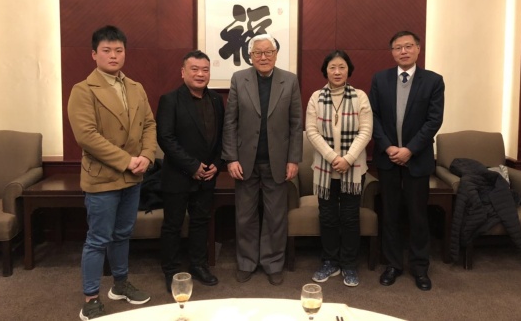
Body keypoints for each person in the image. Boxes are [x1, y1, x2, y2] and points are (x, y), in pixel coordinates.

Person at [68, 25, 157, 320]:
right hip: (102, 177)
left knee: (123, 234)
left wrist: (147, 155)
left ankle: (120, 285)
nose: (113, 55)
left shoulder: (136, 87)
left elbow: (149, 125)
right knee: (98, 239)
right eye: (106, 50)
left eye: (118, 50)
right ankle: (91, 297)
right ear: (94, 54)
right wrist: (126, 160)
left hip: (133, 175)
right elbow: (87, 136)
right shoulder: (83, 90)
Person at [222, 33, 303, 286]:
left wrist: (293, 159)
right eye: (258, 52)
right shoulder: (239, 79)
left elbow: (296, 123)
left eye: (268, 52)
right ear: (250, 56)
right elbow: (230, 121)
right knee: (245, 216)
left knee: (275, 216)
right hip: (245, 161)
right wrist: (231, 158)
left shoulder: (290, 80)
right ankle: (246, 262)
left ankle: (273, 263)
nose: (263, 57)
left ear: (276, 54)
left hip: (277, 161)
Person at [369, 30, 444, 292]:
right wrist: (388, 146)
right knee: (390, 214)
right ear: (392, 52)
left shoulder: (433, 81)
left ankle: (420, 267)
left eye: (408, 46)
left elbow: (434, 120)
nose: (403, 51)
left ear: (418, 49)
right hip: (387, 158)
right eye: (398, 47)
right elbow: (372, 117)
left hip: (418, 159)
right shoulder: (380, 79)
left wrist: (410, 149)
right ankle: (392, 265)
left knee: (418, 215)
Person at [156, 50, 224, 291]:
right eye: (194, 69)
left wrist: (217, 163)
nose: (200, 74)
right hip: (178, 175)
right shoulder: (170, 100)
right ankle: (171, 271)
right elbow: (165, 138)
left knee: (200, 222)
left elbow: (221, 136)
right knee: (173, 225)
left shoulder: (216, 99)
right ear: (183, 72)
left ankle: (198, 265)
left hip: (207, 175)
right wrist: (192, 166)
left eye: (205, 69)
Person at [305, 50, 372, 287]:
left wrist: (348, 158)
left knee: (350, 217)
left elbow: (366, 130)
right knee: (328, 217)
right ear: (325, 70)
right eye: (332, 67)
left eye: (342, 67)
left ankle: (349, 264)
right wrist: (334, 157)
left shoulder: (360, 97)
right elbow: (311, 131)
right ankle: (330, 262)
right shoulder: (315, 97)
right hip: (325, 170)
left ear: (348, 70)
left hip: (354, 169)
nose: (337, 72)